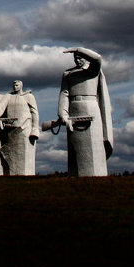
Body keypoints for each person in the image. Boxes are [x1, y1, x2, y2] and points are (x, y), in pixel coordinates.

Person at [56, 47, 113, 176]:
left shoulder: (92, 71)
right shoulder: (68, 74)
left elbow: (98, 58)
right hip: (74, 108)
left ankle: (96, 174)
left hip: (91, 107)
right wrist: (63, 114)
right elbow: (64, 93)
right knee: (75, 146)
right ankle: (75, 174)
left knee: (93, 144)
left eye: (80, 57)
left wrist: (79, 49)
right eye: (75, 58)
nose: (78, 60)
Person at [0, 80, 39, 176]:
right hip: (10, 129)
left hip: (25, 128)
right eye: (13, 85)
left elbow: (34, 112)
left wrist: (35, 128)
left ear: (21, 86)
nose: (15, 87)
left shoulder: (28, 96)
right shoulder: (8, 96)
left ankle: (24, 175)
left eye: (17, 85)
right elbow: (0, 108)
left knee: (24, 155)